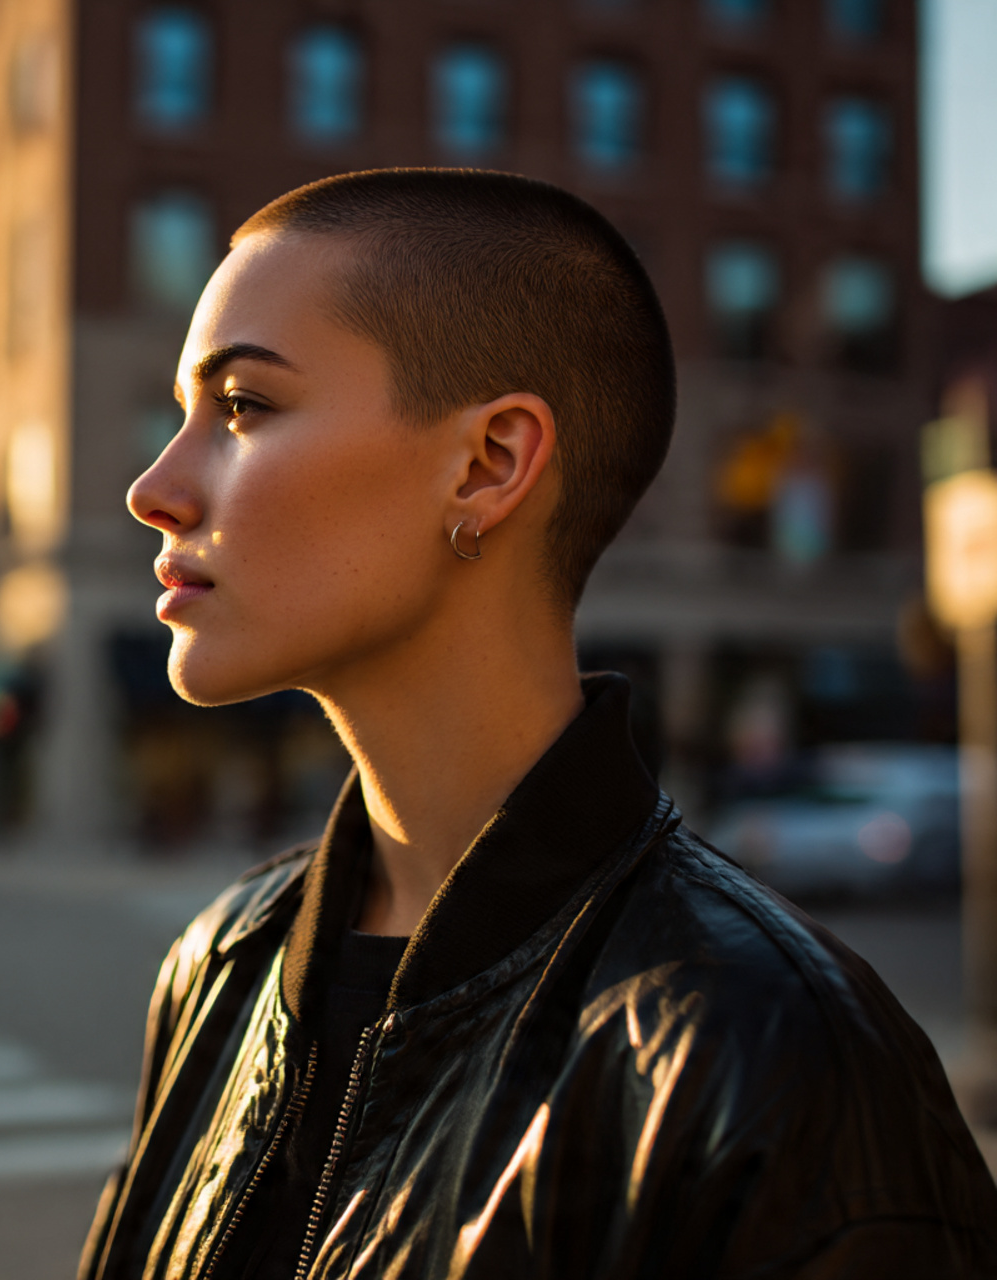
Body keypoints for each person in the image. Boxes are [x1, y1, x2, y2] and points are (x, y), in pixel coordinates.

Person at [79, 169, 997, 1280]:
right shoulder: (218, 965)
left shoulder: (767, 1056)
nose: (153, 487)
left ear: (488, 464)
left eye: (242, 408)